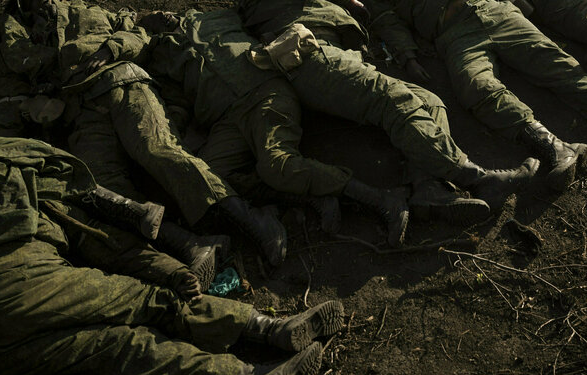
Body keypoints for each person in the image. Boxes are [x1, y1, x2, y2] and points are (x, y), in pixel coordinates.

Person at [0, 135, 346, 375]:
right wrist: (173, 273)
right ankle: (269, 329)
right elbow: (106, 242)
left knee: (116, 351)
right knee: (148, 303)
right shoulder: (10, 174)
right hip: (9, 284)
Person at [137, 9, 494, 246]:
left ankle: (381, 198)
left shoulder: (222, 15)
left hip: (265, 92)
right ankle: (312, 194)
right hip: (226, 117)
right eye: (146, 19)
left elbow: (272, 26)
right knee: (210, 179)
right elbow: (175, 104)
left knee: (276, 163)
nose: (157, 17)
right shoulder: (160, 56)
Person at [0, 0, 287, 265]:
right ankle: (190, 244)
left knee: (158, 150)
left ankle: (255, 220)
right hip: (79, 114)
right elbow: (7, 87)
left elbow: (140, 36)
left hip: (120, 81)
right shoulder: (20, 40)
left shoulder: (94, 12)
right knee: (102, 188)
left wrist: (111, 48)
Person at [230, 0, 542, 224]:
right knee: (392, 98)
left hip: (335, 52)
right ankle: (476, 177)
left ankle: (427, 189)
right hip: (305, 51)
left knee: (429, 101)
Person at [364, 0, 587, 192]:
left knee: (556, 64)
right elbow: (385, 19)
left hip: (494, 9)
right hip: (453, 35)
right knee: (475, 86)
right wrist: (407, 55)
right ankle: (553, 146)